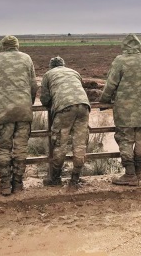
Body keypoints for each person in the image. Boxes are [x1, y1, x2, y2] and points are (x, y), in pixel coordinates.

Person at [0, 35, 38, 196]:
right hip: (23, 110)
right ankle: (18, 183)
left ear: (3, 46)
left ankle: (5, 184)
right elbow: (33, 85)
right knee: (21, 148)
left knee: (4, 148)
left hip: (3, 111)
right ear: (17, 45)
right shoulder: (27, 58)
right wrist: (29, 102)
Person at [99, 34, 141, 186]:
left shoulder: (120, 60)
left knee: (125, 138)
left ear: (124, 46)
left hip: (126, 109)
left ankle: (129, 174)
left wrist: (104, 101)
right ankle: (138, 173)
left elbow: (111, 84)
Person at [40, 56, 91, 188]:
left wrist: (53, 102)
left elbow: (45, 99)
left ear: (51, 66)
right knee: (80, 144)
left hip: (64, 108)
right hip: (84, 105)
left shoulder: (48, 74)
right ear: (64, 65)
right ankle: (75, 179)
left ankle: (55, 179)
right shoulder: (74, 72)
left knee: (59, 143)